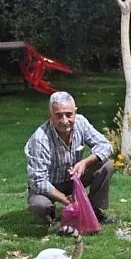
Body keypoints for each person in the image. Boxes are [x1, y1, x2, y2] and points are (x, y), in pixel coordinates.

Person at [25, 91, 115, 226]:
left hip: (74, 179)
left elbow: (105, 145)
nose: (65, 121)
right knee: (39, 205)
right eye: (58, 116)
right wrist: (65, 199)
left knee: (106, 165)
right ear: (50, 116)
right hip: (50, 184)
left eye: (69, 114)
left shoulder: (81, 122)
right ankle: (49, 214)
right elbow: (38, 180)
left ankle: (94, 210)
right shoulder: (40, 139)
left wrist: (85, 162)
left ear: (75, 112)